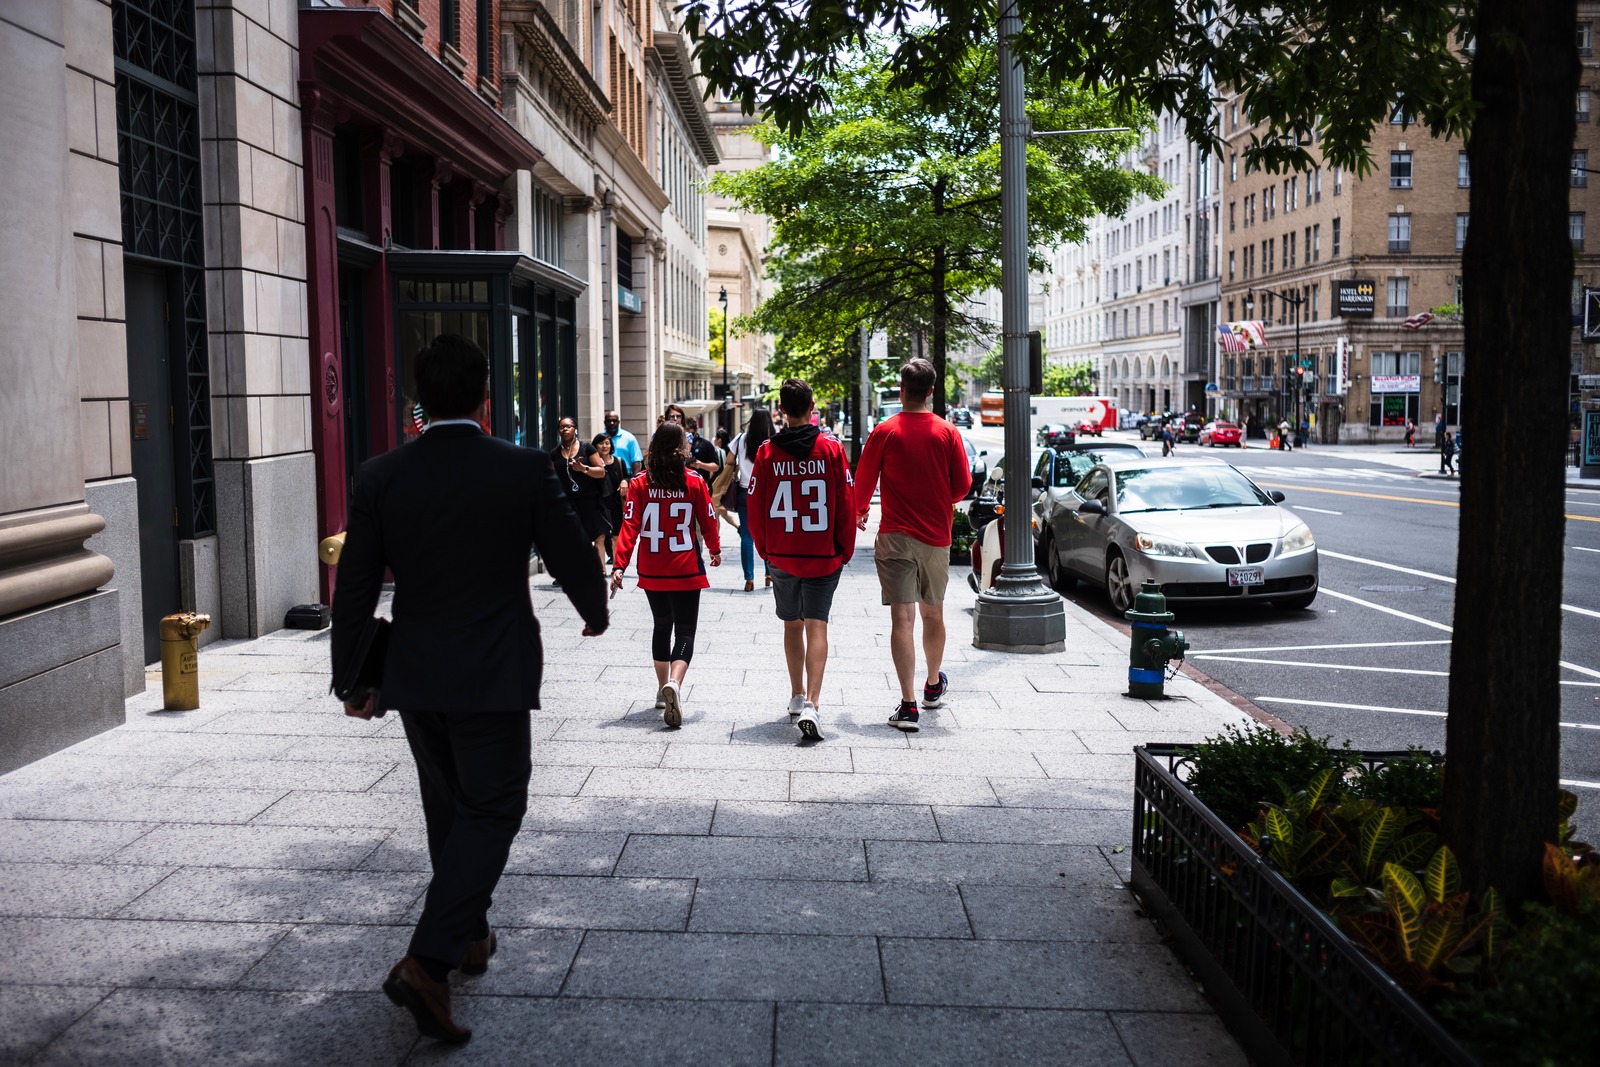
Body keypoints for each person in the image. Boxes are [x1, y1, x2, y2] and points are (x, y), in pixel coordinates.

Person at [332, 334, 607, 1044]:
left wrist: (351, 678)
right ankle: (427, 962)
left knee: (449, 806)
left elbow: (354, 586)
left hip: (417, 671)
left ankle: (470, 936)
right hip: (493, 668)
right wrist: (595, 609)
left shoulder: (380, 476)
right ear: (487, 396)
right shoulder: (522, 468)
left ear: (418, 399)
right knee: (494, 804)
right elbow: (570, 549)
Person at [852, 358, 972, 731]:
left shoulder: (884, 432)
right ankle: (933, 685)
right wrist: (938, 498)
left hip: (895, 536)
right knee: (932, 614)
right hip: (935, 537)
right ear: (931, 391)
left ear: (902, 389)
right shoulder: (947, 432)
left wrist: (860, 511)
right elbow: (962, 486)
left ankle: (907, 706)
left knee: (901, 619)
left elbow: (863, 481)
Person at [748, 378, 856, 740]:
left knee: (791, 625)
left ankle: (796, 695)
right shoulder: (831, 449)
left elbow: (754, 505)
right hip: (823, 553)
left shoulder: (766, 452)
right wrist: (845, 548)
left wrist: (764, 548)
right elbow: (846, 502)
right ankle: (813, 702)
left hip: (782, 554)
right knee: (817, 626)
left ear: (781, 410)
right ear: (812, 408)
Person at [612, 422, 722, 727]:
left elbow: (629, 526)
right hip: (686, 565)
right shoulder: (693, 480)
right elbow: (708, 519)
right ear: (682, 447)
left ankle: (662, 690)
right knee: (685, 629)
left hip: (652, 567)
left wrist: (619, 565)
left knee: (662, 625)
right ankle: (675, 681)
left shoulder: (639, 483)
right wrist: (714, 549)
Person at [728, 408, 775, 591]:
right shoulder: (773, 440)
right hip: (768, 493)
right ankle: (769, 574)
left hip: (745, 490)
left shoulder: (741, 439)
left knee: (747, 537)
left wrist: (742, 464)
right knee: (768, 535)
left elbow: (729, 461)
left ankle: (749, 579)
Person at [553, 417, 607, 567]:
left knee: (597, 535)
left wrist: (584, 469)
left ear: (575, 429)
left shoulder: (587, 448)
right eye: (562, 427)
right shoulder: (555, 453)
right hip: (566, 501)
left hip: (589, 500)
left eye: (568, 426)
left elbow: (601, 472)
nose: (565, 429)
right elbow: (550, 478)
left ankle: (600, 570)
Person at [593, 433, 628, 565]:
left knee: (616, 537)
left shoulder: (618, 461)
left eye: (607, 443)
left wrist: (625, 481)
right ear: (595, 446)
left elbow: (628, 476)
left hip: (616, 505)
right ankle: (601, 569)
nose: (604, 446)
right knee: (600, 537)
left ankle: (616, 567)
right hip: (599, 505)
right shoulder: (592, 463)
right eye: (601, 443)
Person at [683, 416, 722, 484]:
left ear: (696, 429)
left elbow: (716, 467)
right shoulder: (678, 444)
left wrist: (701, 465)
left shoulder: (705, 444)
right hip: (683, 483)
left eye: (691, 434)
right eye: (686, 434)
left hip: (700, 483)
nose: (688, 437)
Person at [604, 409, 643, 474]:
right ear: (605, 423)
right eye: (609, 421)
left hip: (625, 475)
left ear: (618, 422)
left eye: (614, 421)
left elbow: (636, 461)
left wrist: (635, 478)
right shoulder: (600, 439)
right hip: (605, 474)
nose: (612, 423)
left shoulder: (629, 438)